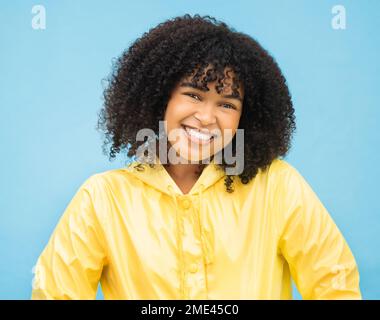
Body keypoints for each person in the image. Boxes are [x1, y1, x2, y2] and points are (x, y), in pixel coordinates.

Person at [31, 14, 361, 299]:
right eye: (193, 94)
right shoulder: (103, 200)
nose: (206, 117)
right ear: (161, 97)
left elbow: (335, 284)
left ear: (245, 116)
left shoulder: (278, 187)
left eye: (227, 104)